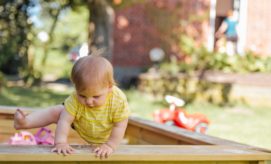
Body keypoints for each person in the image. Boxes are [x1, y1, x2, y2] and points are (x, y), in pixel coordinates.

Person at [14, 55, 130, 158]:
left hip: (106, 133)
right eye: (82, 95)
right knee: (58, 111)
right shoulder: (74, 99)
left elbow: (120, 125)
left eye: (96, 96)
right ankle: (25, 122)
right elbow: (64, 121)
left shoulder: (118, 100)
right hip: (83, 122)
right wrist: (60, 142)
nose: (89, 101)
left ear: (109, 87)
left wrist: (110, 145)